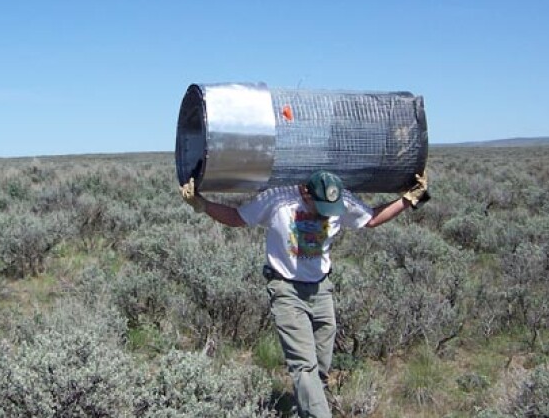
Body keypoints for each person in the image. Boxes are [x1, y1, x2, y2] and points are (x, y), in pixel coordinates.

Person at [180, 169, 430, 418]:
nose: (325, 213)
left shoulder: (339, 200)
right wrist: (201, 205)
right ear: (305, 192)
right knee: (304, 367)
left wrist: (409, 199)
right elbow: (237, 217)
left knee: (320, 369)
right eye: (320, 206)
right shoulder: (278, 199)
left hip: (321, 290)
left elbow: (371, 218)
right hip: (286, 290)